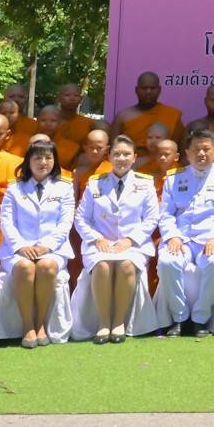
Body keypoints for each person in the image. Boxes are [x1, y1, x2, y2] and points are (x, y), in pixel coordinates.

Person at [74, 134, 159, 343]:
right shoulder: (95, 183)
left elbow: (151, 218)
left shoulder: (145, 184)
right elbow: (81, 218)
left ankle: (119, 322)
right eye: (117, 154)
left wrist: (130, 240)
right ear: (109, 156)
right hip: (100, 243)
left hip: (133, 244)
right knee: (102, 266)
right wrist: (96, 239)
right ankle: (104, 323)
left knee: (126, 265)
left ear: (134, 157)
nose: (121, 158)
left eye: (126, 154)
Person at [156, 126, 214, 337]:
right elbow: (166, 213)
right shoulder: (174, 178)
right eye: (196, 149)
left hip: (212, 238)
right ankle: (180, 317)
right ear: (187, 152)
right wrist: (173, 236)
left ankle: (200, 318)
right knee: (167, 262)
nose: (201, 154)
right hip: (181, 238)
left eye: (206, 149)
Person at [0, 137, 75, 349]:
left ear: (55, 161)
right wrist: (20, 246)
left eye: (48, 158)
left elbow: (65, 222)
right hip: (18, 249)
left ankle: (40, 322)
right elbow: (7, 221)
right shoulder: (15, 188)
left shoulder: (64, 187)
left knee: (47, 266)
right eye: (38, 158)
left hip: (53, 248)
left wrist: (47, 246)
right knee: (25, 267)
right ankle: (27, 325)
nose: (43, 162)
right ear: (28, 161)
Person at [117, 72, 185, 152]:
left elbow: (179, 150)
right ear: (136, 90)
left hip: (163, 159)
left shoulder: (172, 115)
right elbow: (114, 149)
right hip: (131, 159)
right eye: (144, 88)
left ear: (159, 90)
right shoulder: (122, 117)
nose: (148, 91)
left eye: (152, 88)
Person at [53, 83, 97, 167]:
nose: (72, 98)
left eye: (76, 95)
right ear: (59, 98)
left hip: (79, 168)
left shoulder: (89, 123)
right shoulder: (50, 121)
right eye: (67, 95)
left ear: (81, 99)